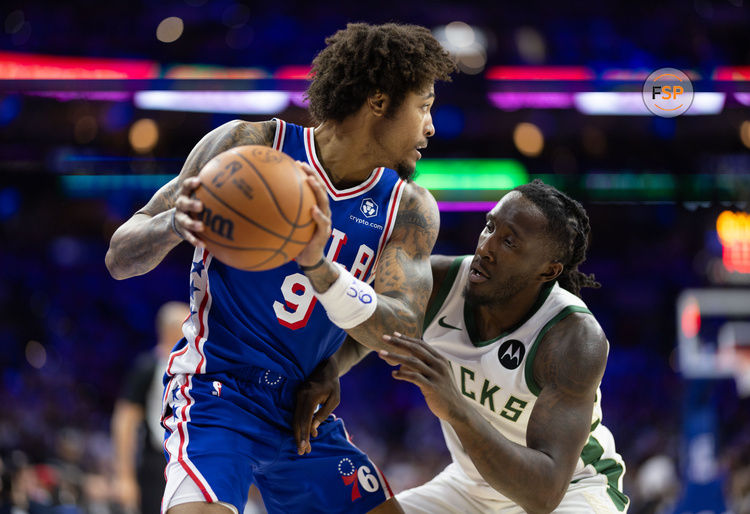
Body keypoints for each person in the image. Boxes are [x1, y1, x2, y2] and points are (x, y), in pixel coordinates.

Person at [105, 22, 456, 514]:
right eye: (423, 107)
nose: (431, 127)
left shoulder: (409, 208)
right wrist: (176, 223)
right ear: (379, 102)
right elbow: (119, 258)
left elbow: (399, 329)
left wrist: (331, 353)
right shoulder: (248, 145)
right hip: (215, 394)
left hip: (301, 413)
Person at [295, 180, 629, 513]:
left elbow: (544, 494)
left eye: (509, 242)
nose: (486, 246)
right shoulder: (438, 283)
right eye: (490, 226)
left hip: (572, 491)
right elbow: (370, 331)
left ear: (548, 270)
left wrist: (455, 407)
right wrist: (330, 368)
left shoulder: (572, 338)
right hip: (472, 489)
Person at [112, 301, 189, 513]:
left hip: (188, 461)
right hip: (157, 463)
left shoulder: (194, 368)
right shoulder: (149, 366)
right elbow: (125, 421)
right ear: (174, 329)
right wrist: (124, 476)